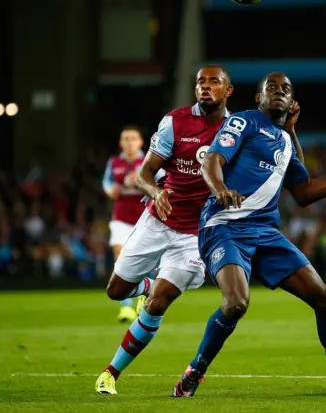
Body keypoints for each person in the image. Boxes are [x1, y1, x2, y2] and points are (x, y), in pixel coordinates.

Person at [172, 72, 326, 398]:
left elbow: (305, 192)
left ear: (292, 102)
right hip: (224, 226)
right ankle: (194, 372)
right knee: (237, 302)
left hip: (265, 233)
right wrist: (220, 189)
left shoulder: (285, 140)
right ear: (258, 97)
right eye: (271, 87)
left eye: (286, 89)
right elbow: (211, 160)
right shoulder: (244, 122)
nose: (279, 92)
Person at [95, 65, 233, 394]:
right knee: (115, 291)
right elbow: (144, 174)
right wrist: (156, 192)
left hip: (195, 236)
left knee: (159, 302)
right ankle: (144, 284)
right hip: (156, 221)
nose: (206, 87)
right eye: (201, 81)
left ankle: (111, 373)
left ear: (228, 91)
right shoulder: (175, 122)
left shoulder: (236, 129)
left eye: (215, 82)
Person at [102, 126, 147, 322]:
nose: (130, 142)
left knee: (145, 260)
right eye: (126, 139)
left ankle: (143, 294)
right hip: (121, 218)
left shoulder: (147, 161)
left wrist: (140, 183)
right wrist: (110, 190)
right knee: (120, 256)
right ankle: (126, 307)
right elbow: (107, 183)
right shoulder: (114, 162)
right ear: (121, 143)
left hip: (144, 217)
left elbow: (159, 182)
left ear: (140, 142)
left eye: (133, 139)